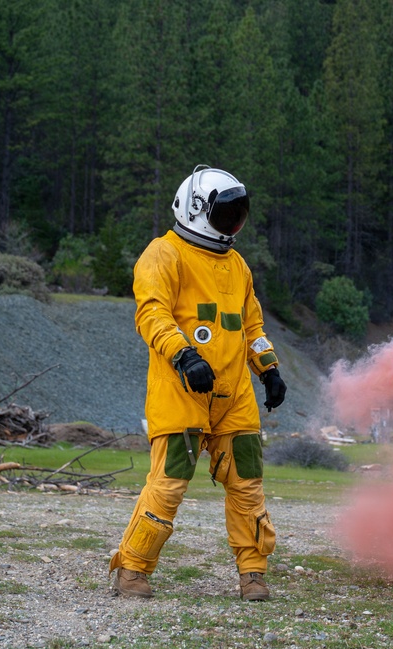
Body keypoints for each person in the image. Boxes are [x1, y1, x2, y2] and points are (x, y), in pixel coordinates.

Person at [110, 164, 288, 601]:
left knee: (247, 483)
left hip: (234, 395)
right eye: (225, 213)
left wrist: (269, 367)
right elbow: (152, 313)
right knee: (169, 483)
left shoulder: (238, 265)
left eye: (238, 213)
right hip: (181, 390)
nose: (233, 222)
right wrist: (183, 353)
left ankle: (253, 574)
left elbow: (252, 325)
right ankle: (132, 568)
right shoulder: (163, 254)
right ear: (195, 210)